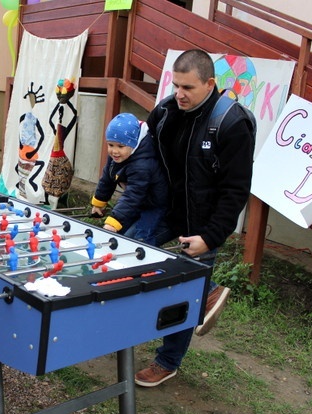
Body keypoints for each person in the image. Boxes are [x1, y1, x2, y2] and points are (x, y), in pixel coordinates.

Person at [134, 49, 255, 387]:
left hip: (202, 224)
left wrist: (212, 236)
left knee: (184, 291)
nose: (180, 94)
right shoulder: (166, 112)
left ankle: (167, 361)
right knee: (127, 251)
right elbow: (147, 157)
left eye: (188, 87)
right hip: (166, 211)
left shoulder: (232, 124)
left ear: (210, 84)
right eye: (176, 86)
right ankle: (208, 291)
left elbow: (236, 190)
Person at [90, 113, 167, 245]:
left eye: (120, 146)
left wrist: (114, 220)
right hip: (138, 202)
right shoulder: (117, 156)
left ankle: (148, 261)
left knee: (141, 236)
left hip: (154, 204)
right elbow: (107, 179)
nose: (114, 151)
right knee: (121, 230)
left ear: (133, 144)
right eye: (110, 145)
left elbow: (133, 194)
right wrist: (99, 202)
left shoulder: (142, 164)